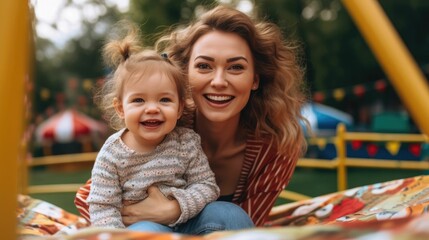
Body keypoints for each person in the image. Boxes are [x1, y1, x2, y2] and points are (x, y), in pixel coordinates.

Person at [76, 4, 307, 231]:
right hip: (143, 231)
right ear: (185, 74)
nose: (218, 81)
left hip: (206, 226)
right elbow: (92, 199)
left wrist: (172, 210)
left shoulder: (275, 147)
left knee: (230, 214)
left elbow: (247, 223)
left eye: (236, 67)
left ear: (254, 79)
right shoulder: (164, 127)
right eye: (204, 66)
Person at [86, 23, 221, 232]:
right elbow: (103, 207)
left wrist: (177, 207)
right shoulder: (111, 154)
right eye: (139, 100)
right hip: (143, 230)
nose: (152, 109)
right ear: (121, 108)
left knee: (229, 213)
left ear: (179, 108)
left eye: (164, 100)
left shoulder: (186, 141)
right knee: (148, 232)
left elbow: (207, 187)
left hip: (188, 224)